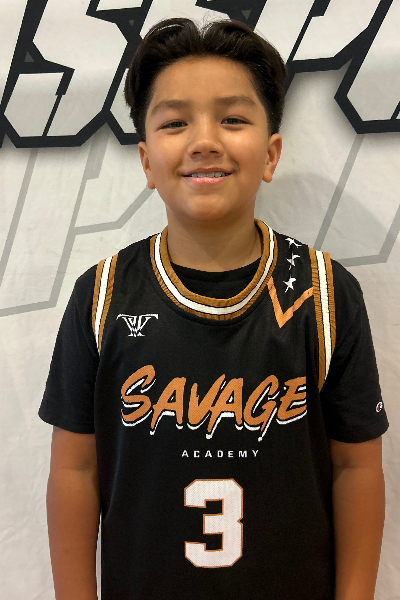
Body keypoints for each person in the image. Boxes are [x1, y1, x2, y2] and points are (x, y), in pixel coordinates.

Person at [39, 17, 389, 600]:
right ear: (146, 161)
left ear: (271, 154)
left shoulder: (326, 294)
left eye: (233, 119)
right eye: (175, 122)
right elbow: (75, 469)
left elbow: (357, 468)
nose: (204, 140)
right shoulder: (102, 294)